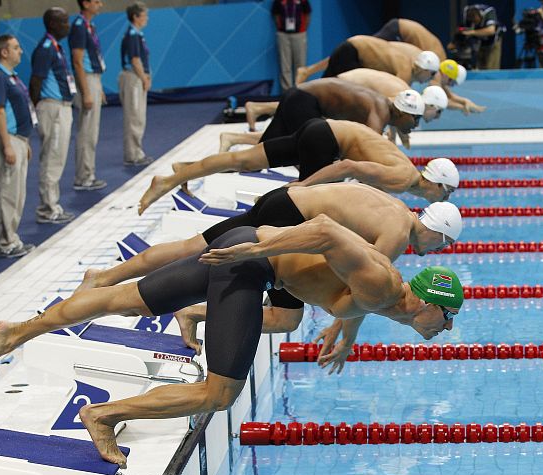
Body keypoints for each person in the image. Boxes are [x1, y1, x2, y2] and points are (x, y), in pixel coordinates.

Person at [0, 216, 463, 466]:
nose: (446, 330)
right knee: (219, 394)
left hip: (245, 253)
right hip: (248, 260)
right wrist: (260, 249)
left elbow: (351, 296)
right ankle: (102, 415)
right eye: (448, 318)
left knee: (126, 300)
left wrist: (346, 334)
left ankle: (14, 331)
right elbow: (327, 230)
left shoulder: (384, 298)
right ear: (428, 302)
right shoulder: (382, 283)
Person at [77, 183, 463, 344]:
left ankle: (111, 278)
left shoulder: (397, 210)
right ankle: (122, 285)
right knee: (197, 253)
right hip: (290, 221)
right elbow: (366, 287)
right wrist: (344, 336)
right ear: (439, 233)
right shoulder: (395, 235)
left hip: (289, 200)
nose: (437, 253)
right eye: (442, 246)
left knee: (283, 318)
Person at [139, 119, 459, 213]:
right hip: (327, 142)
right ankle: (259, 215)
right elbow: (347, 166)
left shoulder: (403, 173)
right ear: (437, 184)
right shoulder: (403, 177)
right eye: (446, 195)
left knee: (242, 159)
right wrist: (305, 185)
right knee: (301, 205)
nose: (443, 201)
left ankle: (174, 176)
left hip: (319, 130)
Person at [228, 83, 425, 149]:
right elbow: (368, 147)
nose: (416, 125)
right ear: (401, 112)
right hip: (304, 100)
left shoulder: (384, 106)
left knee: (265, 151)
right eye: (415, 118)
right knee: (309, 153)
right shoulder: (381, 110)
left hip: (298, 95)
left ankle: (222, 161)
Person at [0, 35, 36, 260]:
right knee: (8, 193)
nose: (20, 51)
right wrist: (7, 145)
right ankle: (4, 242)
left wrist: (24, 142)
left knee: (16, 194)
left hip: (18, 138)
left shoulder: (11, 76)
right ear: (4, 52)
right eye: (16, 48)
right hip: (5, 139)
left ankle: (9, 238)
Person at [30, 7, 76, 225]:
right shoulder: (46, 48)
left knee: (57, 158)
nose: (68, 25)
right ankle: (47, 208)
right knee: (51, 159)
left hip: (61, 107)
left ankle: (52, 204)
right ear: (53, 25)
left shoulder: (56, 47)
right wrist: (39, 106)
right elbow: (36, 81)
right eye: (64, 21)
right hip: (52, 108)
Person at [70, 0, 107, 191]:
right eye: (96, 1)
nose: (100, 4)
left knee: (92, 131)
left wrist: (98, 88)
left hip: (94, 78)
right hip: (87, 80)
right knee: (86, 131)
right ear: (85, 3)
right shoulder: (79, 26)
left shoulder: (89, 25)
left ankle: (88, 173)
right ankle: (83, 177)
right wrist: (86, 92)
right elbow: (77, 61)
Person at [298, 35, 439, 84]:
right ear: (424, 69)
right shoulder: (405, 70)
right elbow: (397, 103)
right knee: (331, 92)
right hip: (352, 52)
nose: (431, 78)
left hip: (352, 49)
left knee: (323, 90)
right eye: (432, 74)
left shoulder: (406, 60)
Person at [120, 1, 153, 167]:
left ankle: (136, 151)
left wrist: (147, 75)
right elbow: (134, 59)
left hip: (138, 77)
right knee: (134, 117)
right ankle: (132, 154)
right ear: (135, 17)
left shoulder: (137, 34)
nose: (147, 18)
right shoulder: (132, 35)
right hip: (133, 78)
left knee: (139, 117)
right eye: (144, 15)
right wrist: (144, 77)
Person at [271, 0, 311, 90]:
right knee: (285, 66)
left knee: (300, 65)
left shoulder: (303, 1)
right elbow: (275, 14)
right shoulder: (279, 1)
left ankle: (301, 91)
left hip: (299, 35)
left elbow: (307, 13)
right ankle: (286, 92)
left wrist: (303, 29)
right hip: (283, 35)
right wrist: (280, 27)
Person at [457, 4, 502, 70]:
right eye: (473, 22)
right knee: (480, 67)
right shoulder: (466, 13)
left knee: (491, 68)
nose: (475, 24)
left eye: (476, 21)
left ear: (481, 16)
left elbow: (491, 31)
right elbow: (461, 29)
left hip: (493, 41)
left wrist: (472, 32)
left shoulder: (489, 12)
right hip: (480, 42)